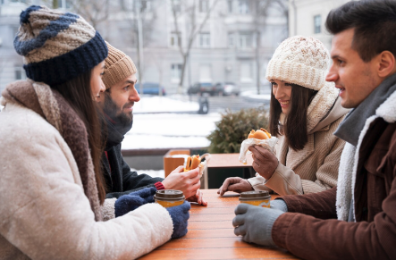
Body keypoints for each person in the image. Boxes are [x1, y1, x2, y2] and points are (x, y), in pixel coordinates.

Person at [0, 5, 189, 259]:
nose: (101, 87)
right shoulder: (28, 139)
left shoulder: (41, 129)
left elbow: (78, 220)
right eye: (100, 73)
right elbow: (84, 248)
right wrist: (163, 217)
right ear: (76, 76)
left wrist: (145, 198)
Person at [232, 1, 396, 259]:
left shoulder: (368, 128)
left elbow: (384, 243)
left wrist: (279, 226)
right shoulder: (372, 123)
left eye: (340, 62)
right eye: (274, 84)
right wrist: (280, 202)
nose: (328, 77)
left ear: (384, 63)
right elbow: (343, 197)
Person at [218, 36, 349, 196]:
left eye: (287, 84)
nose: (278, 94)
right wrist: (253, 184)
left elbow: (329, 195)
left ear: (309, 86)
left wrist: (273, 171)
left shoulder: (343, 128)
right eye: (274, 83)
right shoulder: (290, 114)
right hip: (283, 214)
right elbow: (285, 177)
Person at [98, 42, 207, 206]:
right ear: (99, 92)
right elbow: (98, 207)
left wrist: (175, 188)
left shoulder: (108, 132)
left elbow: (125, 179)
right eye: (126, 87)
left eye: (134, 85)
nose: (137, 96)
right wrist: (162, 189)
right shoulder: (78, 140)